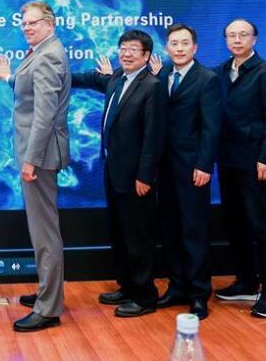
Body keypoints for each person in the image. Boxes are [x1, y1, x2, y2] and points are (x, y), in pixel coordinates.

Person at [72, 29, 166, 318]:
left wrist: (145, 176)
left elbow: (154, 136)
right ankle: (127, 286)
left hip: (137, 178)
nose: (126, 53)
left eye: (133, 49)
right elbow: (87, 79)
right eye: (123, 48)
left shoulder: (152, 86)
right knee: (121, 233)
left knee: (138, 237)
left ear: (146, 56)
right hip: (114, 172)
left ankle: (145, 296)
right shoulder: (116, 79)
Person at [0, 1, 71, 332]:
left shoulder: (49, 55)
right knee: (41, 230)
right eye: (24, 23)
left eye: (33, 22)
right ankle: (46, 293)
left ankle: (48, 308)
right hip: (37, 153)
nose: (26, 27)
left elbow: (44, 114)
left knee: (45, 233)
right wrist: (10, 78)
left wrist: (31, 159)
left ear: (49, 24)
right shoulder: (41, 52)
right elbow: (32, 93)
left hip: (39, 156)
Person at [215, 18, 266, 318]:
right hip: (226, 160)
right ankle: (246, 282)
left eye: (243, 35)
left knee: (261, 226)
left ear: (254, 39)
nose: (237, 40)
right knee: (235, 224)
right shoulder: (220, 71)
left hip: (254, 162)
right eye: (231, 35)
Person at [152, 24, 222, 320]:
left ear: (195, 47)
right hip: (164, 167)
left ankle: (198, 294)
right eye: (174, 43)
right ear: (167, 47)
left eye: (184, 43)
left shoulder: (207, 79)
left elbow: (211, 127)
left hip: (193, 168)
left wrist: (205, 164)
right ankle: (177, 286)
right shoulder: (161, 75)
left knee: (194, 231)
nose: (179, 48)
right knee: (170, 229)